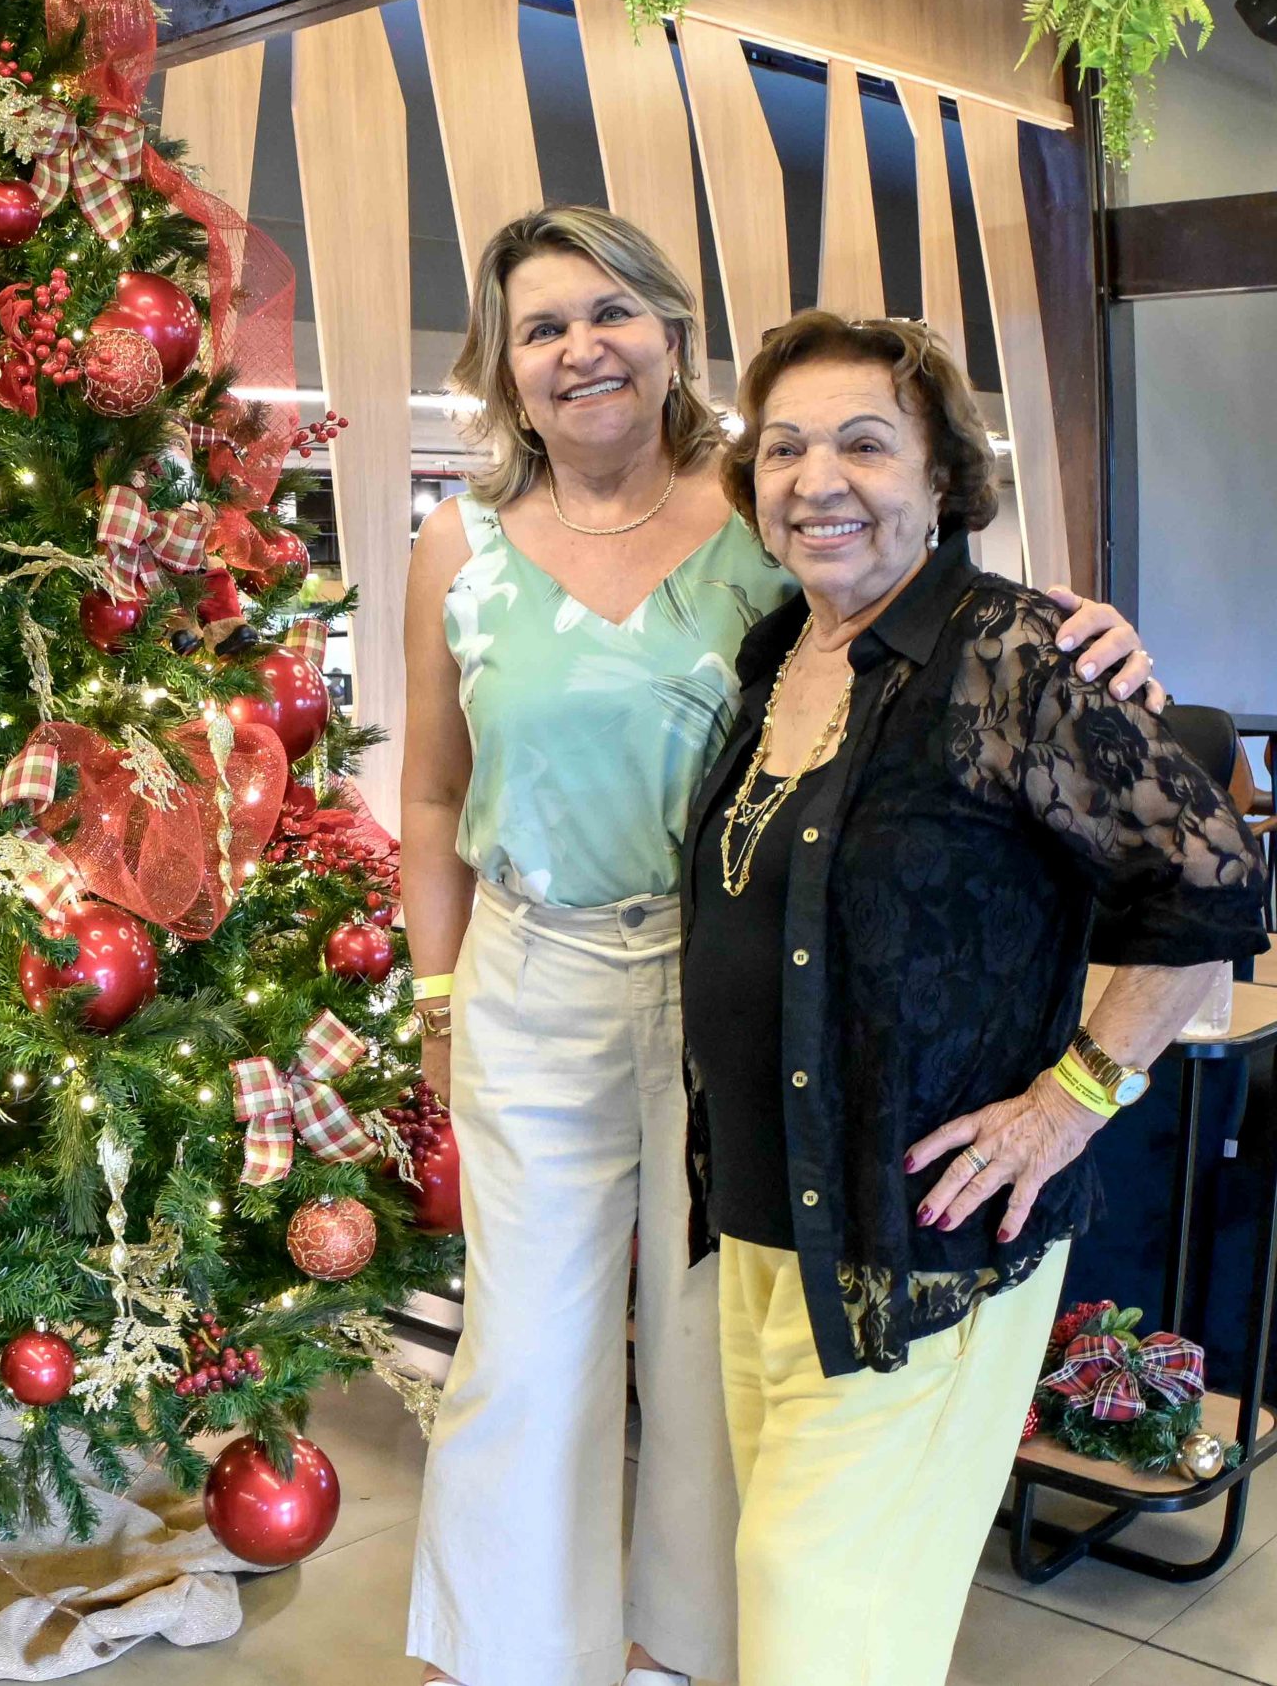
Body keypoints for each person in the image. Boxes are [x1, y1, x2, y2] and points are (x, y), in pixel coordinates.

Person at [397, 206, 1159, 1686]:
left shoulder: (759, 515)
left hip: (732, 982)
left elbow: (931, 616)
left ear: (671, 334)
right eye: (542, 327)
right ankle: (500, 1654)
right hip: (532, 973)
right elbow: (433, 793)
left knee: (710, 1342)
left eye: (611, 312)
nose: (581, 348)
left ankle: (686, 1650)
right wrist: (436, 994)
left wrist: (1099, 640)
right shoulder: (459, 542)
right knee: (524, 1343)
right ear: (505, 364)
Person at [685, 311, 1264, 1685]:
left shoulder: (1013, 652)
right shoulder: (779, 651)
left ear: (943, 476)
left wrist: (1073, 1101)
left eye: (864, 444)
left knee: (813, 1618)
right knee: (815, 1601)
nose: (817, 479)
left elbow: (1214, 885)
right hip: (768, 1215)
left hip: (919, 1236)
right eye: (785, 448)